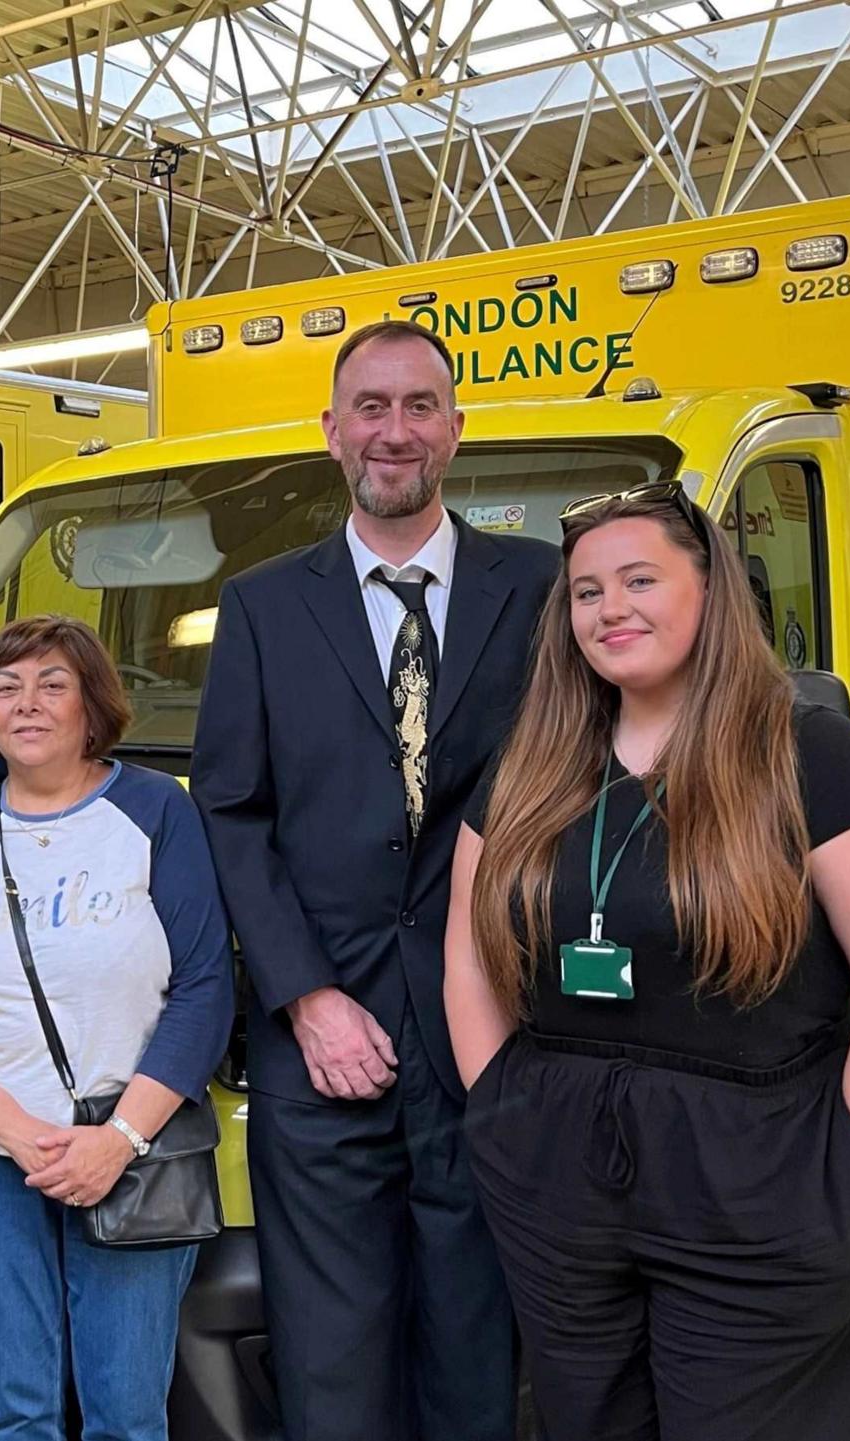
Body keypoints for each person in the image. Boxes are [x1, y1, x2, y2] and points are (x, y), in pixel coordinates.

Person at [446, 482, 850, 1440]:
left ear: (712, 590)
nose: (611, 609)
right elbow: (469, 960)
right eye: (588, 592)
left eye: (640, 579)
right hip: (562, 1179)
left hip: (761, 1177)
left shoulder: (810, 755)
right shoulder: (535, 760)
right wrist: (503, 1111)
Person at [192, 319, 554, 1441]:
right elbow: (232, 814)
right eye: (370, 407)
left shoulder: (541, 592)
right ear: (331, 430)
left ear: (454, 427)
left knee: (472, 1357)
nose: (393, 431)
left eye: (418, 406)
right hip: (319, 1047)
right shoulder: (259, 606)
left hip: (490, 1035)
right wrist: (304, 994)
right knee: (333, 1369)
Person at [0, 615, 233, 1441]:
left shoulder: (155, 810)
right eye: (6, 687)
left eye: (53, 683)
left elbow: (204, 988)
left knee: (124, 1411)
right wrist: (11, 1127)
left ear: (93, 705)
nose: (28, 703)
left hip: (130, 1152)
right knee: (18, 1409)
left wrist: (116, 1138)